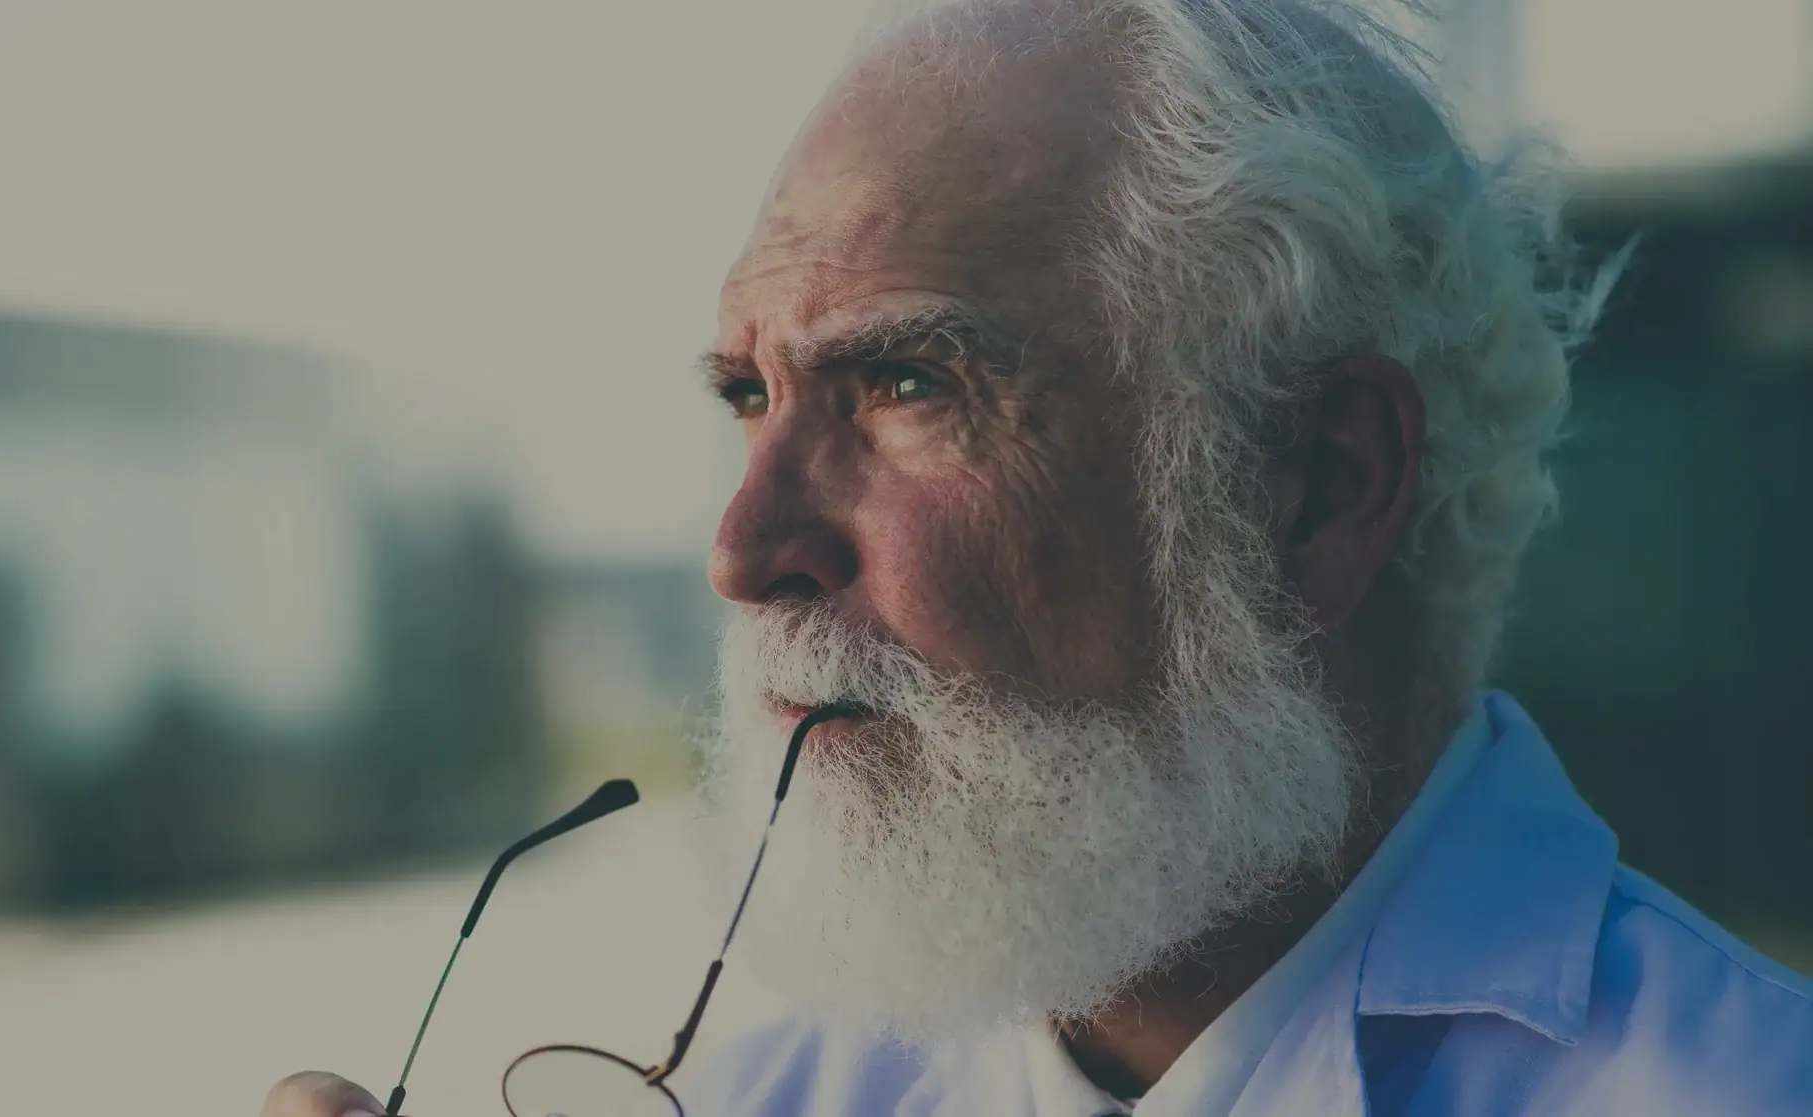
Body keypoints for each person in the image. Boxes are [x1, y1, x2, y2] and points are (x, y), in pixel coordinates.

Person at [263, 0, 1813, 1113]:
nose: (743, 553)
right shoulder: (792, 1091)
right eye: (751, 398)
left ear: (1322, 480)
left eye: (909, 386)